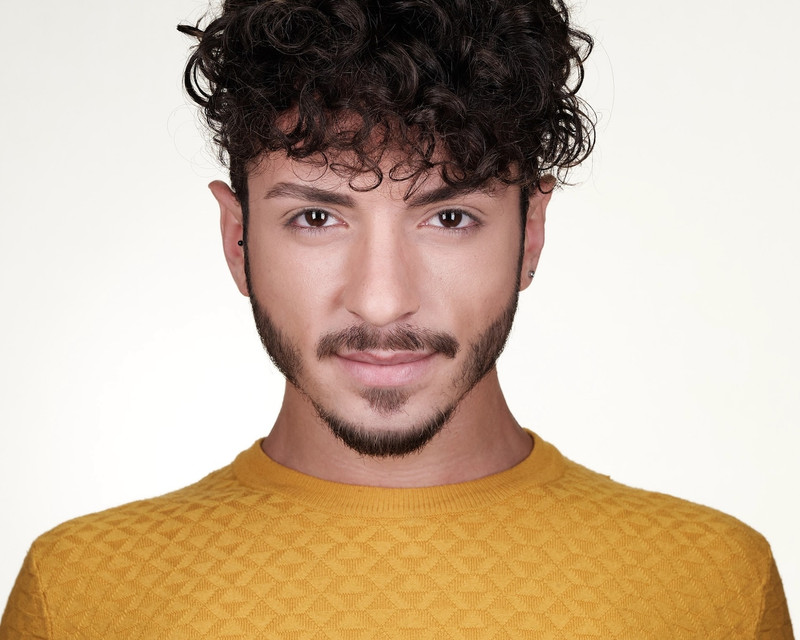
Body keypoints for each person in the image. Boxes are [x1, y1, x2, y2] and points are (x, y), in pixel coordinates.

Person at [0, 0, 793, 637]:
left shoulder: (711, 584)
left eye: (449, 218)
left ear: (532, 232)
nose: (381, 301)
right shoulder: (83, 593)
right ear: (238, 240)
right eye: (317, 218)